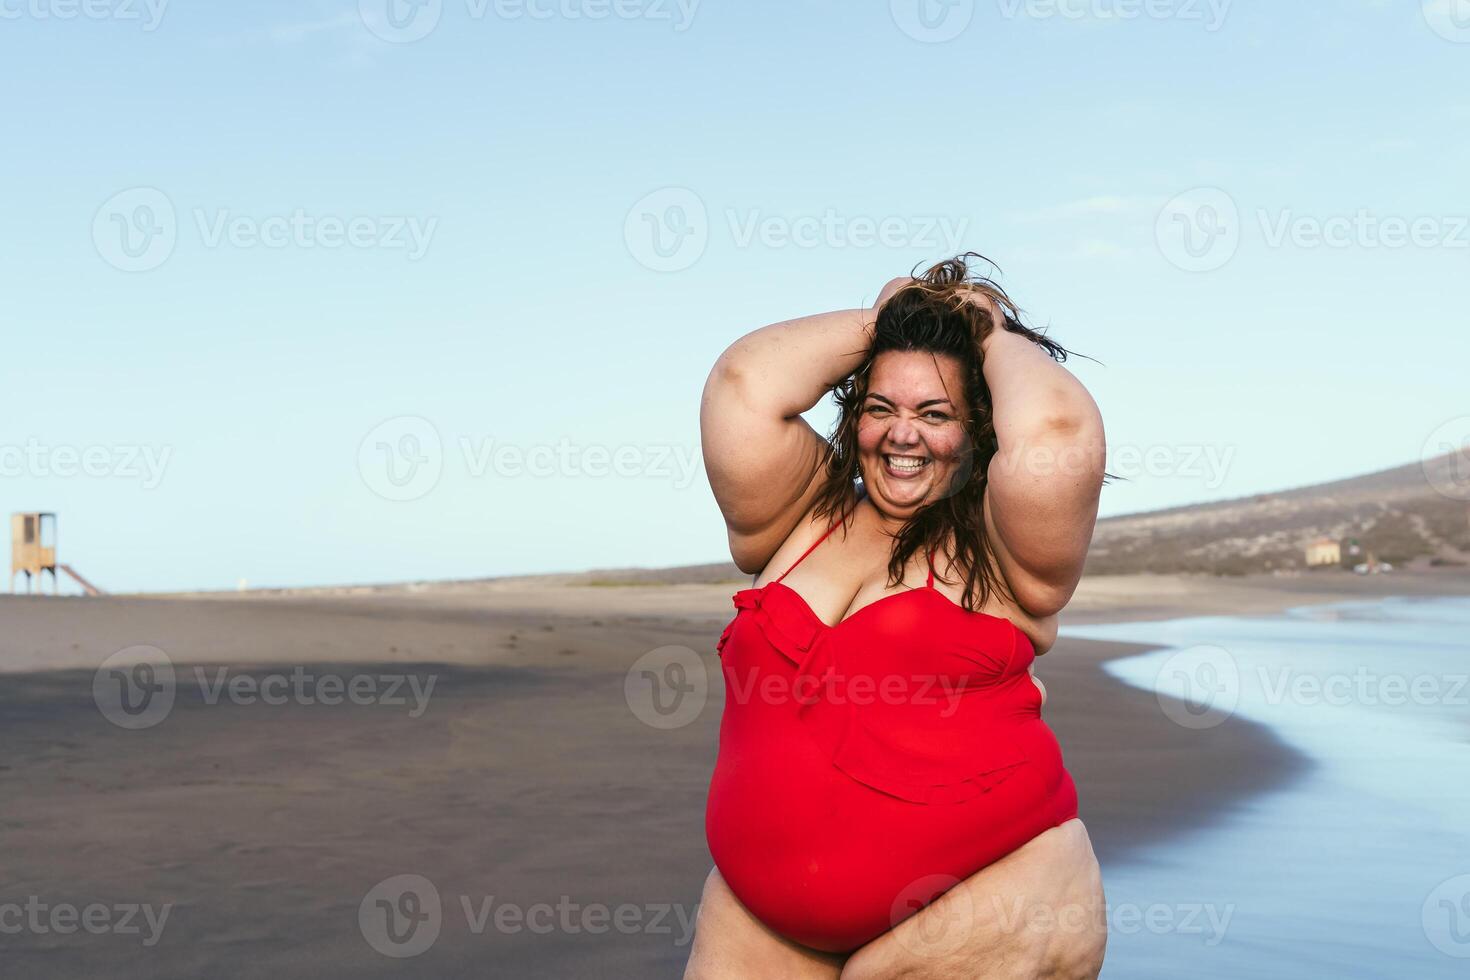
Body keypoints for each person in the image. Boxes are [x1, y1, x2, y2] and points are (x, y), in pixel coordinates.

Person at [685, 254, 1109, 979]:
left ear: (978, 429)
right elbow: (743, 385)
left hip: (988, 912)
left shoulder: (1004, 554)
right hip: (759, 926)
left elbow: (1058, 434)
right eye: (882, 408)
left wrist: (987, 334)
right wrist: (889, 319)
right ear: (855, 418)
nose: (902, 434)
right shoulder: (799, 514)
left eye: (935, 414)